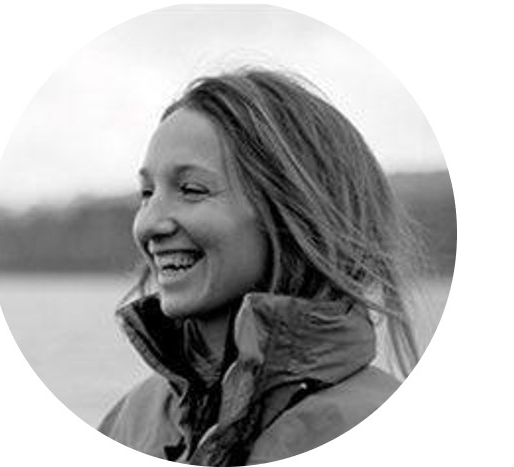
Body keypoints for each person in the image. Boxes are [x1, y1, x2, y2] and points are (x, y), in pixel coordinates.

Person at [97, 70, 426, 466]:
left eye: (191, 190)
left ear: (295, 211)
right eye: (147, 193)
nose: (149, 224)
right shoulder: (130, 421)